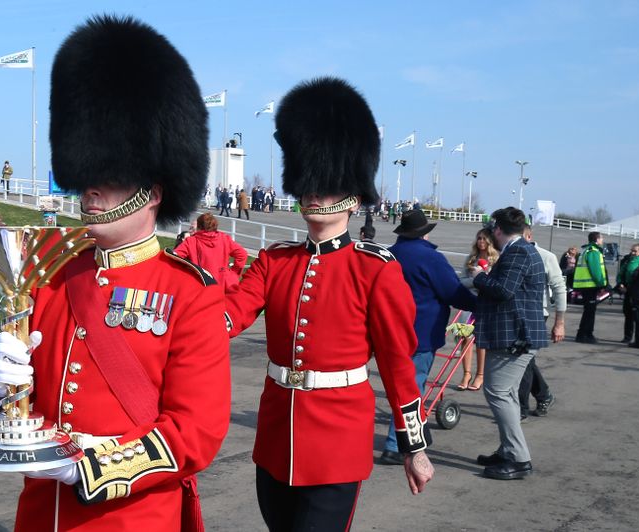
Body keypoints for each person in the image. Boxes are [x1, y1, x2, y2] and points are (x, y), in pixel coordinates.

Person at [0, 16, 230, 531]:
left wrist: (90, 467)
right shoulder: (51, 274)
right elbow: (13, 393)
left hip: (132, 517)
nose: (90, 188)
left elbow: (194, 431)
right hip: (42, 514)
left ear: (152, 192)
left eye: (108, 177)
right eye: (87, 174)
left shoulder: (189, 293)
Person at [225, 78, 433, 530]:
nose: (315, 194)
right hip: (278, 435)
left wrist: (413, 446)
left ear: (353, 198)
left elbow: (399, 362)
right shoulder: (274, 261)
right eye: (309, 185)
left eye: (328, 185)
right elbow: (228, 315)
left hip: (339, 438)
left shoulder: (375, 268)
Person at [379, 209, 476, 465]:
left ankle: (416, 432)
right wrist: (479, 305)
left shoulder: (388, 255)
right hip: (420, 332)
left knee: (400, 386)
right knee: (412, 388)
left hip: (388, 333)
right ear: (424, 232)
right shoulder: (431, 258)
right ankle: (396, 445)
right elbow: (452, 292)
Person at [470, 207, 548, 480]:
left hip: (513, 335)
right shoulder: (524, 250)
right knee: (509, 395)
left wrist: (479, 278)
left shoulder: (517, 252)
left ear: (499, 230)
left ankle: (518, 458)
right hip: (519, 333)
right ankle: (508, 450)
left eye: (493, 231)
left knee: (498, 393)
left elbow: (504, 291)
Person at [519, 225, 566, 419]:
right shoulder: (507, 254)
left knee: (524, 360)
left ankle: (520, 409)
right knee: (525, 360)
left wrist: (559, 322)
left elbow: (559, 289)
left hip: (537, 313)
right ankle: (543, 394)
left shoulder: (546, 257)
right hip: (514, 314)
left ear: (529, 236)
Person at [458, 228, 500, 391]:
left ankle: (480, 375)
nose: (481, 241)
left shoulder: (496, 259)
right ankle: (466, 373)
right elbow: (461, 280)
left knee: (481, 340)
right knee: (465, 337)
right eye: (479, 238)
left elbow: (497, 283)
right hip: (469, 301)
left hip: (486, 303)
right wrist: (475, 280)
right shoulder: (471, 258)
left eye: (484, 238)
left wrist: (484, 278)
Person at [174, 212, 247, 293]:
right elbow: (242, 254)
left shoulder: (191, 241)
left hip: (199, 285)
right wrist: (233, 274)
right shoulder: (224, 239)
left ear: (199, 226)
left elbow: (175, 256)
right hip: (221, 285)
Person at [574, 232, 609, 343]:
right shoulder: (594, 252)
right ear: (597, 239)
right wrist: (602, 284)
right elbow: (596, 271)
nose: (602, 240)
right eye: (601, 238)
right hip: (590, 286)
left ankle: (583, 334)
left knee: (588, 311)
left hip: (586, 286)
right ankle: (586, 334)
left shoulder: (586, 250)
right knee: (589, 312)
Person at [616, 244, 639, 343]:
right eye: (632, 250)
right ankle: (627, 337)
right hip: (628, 291)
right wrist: (621, 284)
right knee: (628, 315)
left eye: (635, 251)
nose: (632, 253)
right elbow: (620, 274)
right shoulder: (627, 261)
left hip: (638, 292)